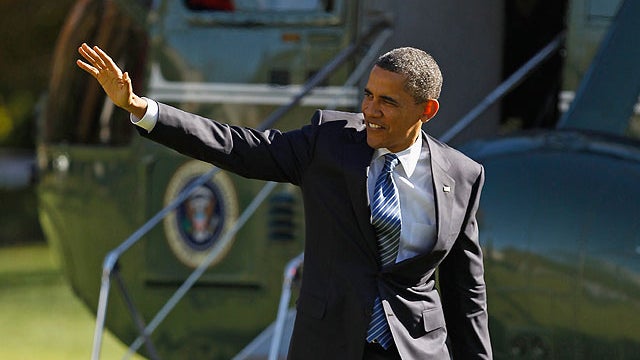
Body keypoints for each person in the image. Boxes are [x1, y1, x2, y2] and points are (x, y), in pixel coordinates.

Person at [77, 43, 492, 359]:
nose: (370, 110)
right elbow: (239, 147)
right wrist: (141, 108)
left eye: (387, 101)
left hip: (416, 349)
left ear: (428, 110)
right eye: (368, 95)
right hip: (328, 344)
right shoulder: (328, 144)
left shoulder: (463, 175)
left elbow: (466, 291)